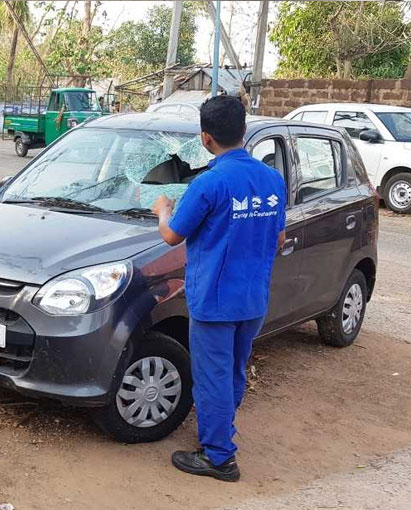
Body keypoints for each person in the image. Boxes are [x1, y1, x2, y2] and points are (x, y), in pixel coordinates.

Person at [150, 95, 286, 482]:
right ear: (243, 130)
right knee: (233, 372)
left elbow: (172, 236)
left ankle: (219, 457)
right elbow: (277, 240)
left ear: (206, 138)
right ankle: (221, 431)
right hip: (252, 298)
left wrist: (162, 208)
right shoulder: (271, 179)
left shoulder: (210, 182)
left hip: (214, 299)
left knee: (212, 376)